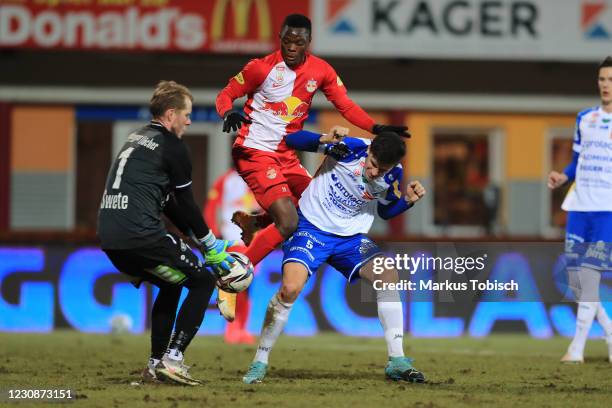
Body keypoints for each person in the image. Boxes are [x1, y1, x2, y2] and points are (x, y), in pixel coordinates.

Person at [216, 13, 410, 320]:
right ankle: (231, 277)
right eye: (287, 40)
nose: (292, 47)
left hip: (286, 153)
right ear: (279, 38)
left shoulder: (321, 70)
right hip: (254, 151)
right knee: (289, 223)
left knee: (314, 204)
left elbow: (344, 105)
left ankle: (257, 223)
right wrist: (228, 111)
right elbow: (226, 94)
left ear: (309, 42)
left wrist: (376, 128)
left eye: (299, 41)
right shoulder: (260, 68)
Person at [241, 129, 427, 384]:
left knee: (388, 274)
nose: (374, 173)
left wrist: (407, 200)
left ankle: (397, 360)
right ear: (370, 151)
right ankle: (260, 361)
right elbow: (291, 140)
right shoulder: (350, 148)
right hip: (311, 228)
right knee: (290, 289)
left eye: (381, 170)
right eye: (372, 165)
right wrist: (325, 139)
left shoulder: (393, 173)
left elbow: (385, 212)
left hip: (351, 239)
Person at [97, 80, 235, 385]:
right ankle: (173, 359)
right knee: (202, 281)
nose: (189, 120)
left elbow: (170, 203)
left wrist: (195, 237)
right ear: (170, 114)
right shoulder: (173, 147)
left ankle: (154, 365)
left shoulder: (136, 138)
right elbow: (185, 201)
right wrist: (210, 244)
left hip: (110, 238)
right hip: (141, 235)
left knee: (171, 283)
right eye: (186, 114)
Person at [548, 56, 612, 364]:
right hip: (578, 207)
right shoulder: (584, 118)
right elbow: (577, 162)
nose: (605, 85)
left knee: (589, 277)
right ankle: (610, 330)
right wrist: (562, 175)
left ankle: (577, 349)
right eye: (602, 79)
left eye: (611, 80)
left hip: (606, 211)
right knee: (576, 283)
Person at [203, 167, 260, 343]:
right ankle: (233, 328)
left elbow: (211, 208)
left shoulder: (225, 179)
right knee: (238, 283)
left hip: (245, 240)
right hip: (235, 240)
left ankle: (240, 329)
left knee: (243, 284)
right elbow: (211, 208)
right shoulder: (251, 177)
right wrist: (213, 234)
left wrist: (212, 235)